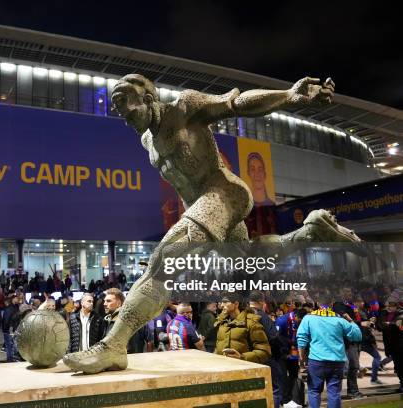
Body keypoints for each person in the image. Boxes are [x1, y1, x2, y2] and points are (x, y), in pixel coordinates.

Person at [63, 73, 359, 374]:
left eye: (127, 106)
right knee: (252, 259)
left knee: (162, 265)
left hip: (224, 194)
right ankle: (312, 230)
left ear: (149, 99)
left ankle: (113, 345)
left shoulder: (185, 108)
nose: (124, 115)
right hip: (204, 209)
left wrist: (289, 95)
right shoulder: (147, 141)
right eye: (118, 111)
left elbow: (237, 103)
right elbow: (181, 183)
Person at [296, 294, 362, 408]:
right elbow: (357, 336)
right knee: (334, 392)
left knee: (314, 391)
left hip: (316, 361)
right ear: (331, 304)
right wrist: (350, 320)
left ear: (317, 303)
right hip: (337, 361)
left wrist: (301, 357)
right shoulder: (340, 320)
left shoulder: (308, 318)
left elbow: (301, 338)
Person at [248, 291, 285, 408]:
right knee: (275, 388)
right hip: (268, 357)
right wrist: (282, 349)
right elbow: (274, 337)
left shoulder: (243, 315)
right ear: (261, 302)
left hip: (249, 357)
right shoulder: (262, 316)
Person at [214, 294, 271, 364]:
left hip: (244, 369)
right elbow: (218, 346)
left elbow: (264, 352)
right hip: (223, 368)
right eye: (221, 302)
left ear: (236, 304)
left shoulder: (251, 322)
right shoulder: (222, 322)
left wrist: (242, 357)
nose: (222, 305)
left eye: (225, 302)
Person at [377, 297, 402, 393]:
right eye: (389, 306)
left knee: (400, 366)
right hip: (391, 344)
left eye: (391, 306)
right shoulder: (386, 314)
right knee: (398, 367)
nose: (389, 307)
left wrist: (390, 324)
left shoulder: (400, 314)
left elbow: (399, 325)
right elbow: (380, 326)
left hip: (399, 344)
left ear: (396, 306)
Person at [2, 295, 21, 362]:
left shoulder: (16, 307)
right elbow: (6, 320)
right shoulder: (10, 309)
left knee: (11, 346)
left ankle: (11, 360)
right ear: (13, 299)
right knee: (10, 347)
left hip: (13, 330)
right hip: (9, 331)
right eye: (17, 298)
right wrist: (6, 330)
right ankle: (10, 360)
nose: (18, 299)